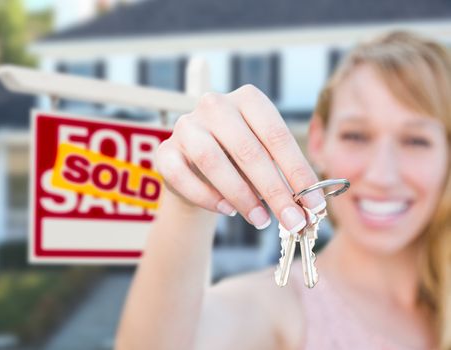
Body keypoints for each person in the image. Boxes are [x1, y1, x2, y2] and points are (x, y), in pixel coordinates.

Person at [115, 31, 451, 349]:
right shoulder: (279, 305)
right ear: (319, 141)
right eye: (356, 136)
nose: (382, 174)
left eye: (416, 141)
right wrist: (187, 205)